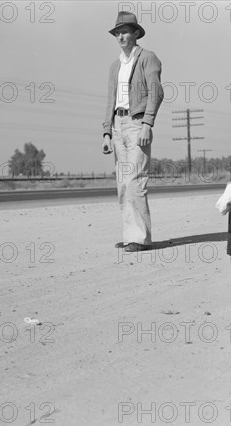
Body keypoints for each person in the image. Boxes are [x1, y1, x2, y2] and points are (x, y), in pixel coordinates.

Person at [102, 11, 164, 252]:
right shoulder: (115, 66)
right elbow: (110, 100)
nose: (121, 36)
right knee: (122, 183)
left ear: (136, 33)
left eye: (125, 31)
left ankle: (141, 238)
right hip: (118, 125)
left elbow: (156, 92)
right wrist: (107, 132)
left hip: (137, 123)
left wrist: (148, 124)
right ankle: (130, 235)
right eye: (117, 33)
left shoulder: (148, 58)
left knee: (135, 180)